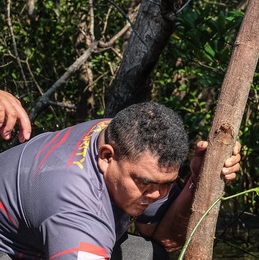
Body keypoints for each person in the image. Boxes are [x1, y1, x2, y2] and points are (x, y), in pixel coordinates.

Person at [0, 101, 242, 259]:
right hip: (12, 249)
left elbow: (165, 239)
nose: (157, 194)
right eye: (145, 182)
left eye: (166, 184)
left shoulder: (120, 134)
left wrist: (198, 183)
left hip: (50, 231)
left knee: (153, 256)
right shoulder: (79, 213)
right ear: (107, 156)